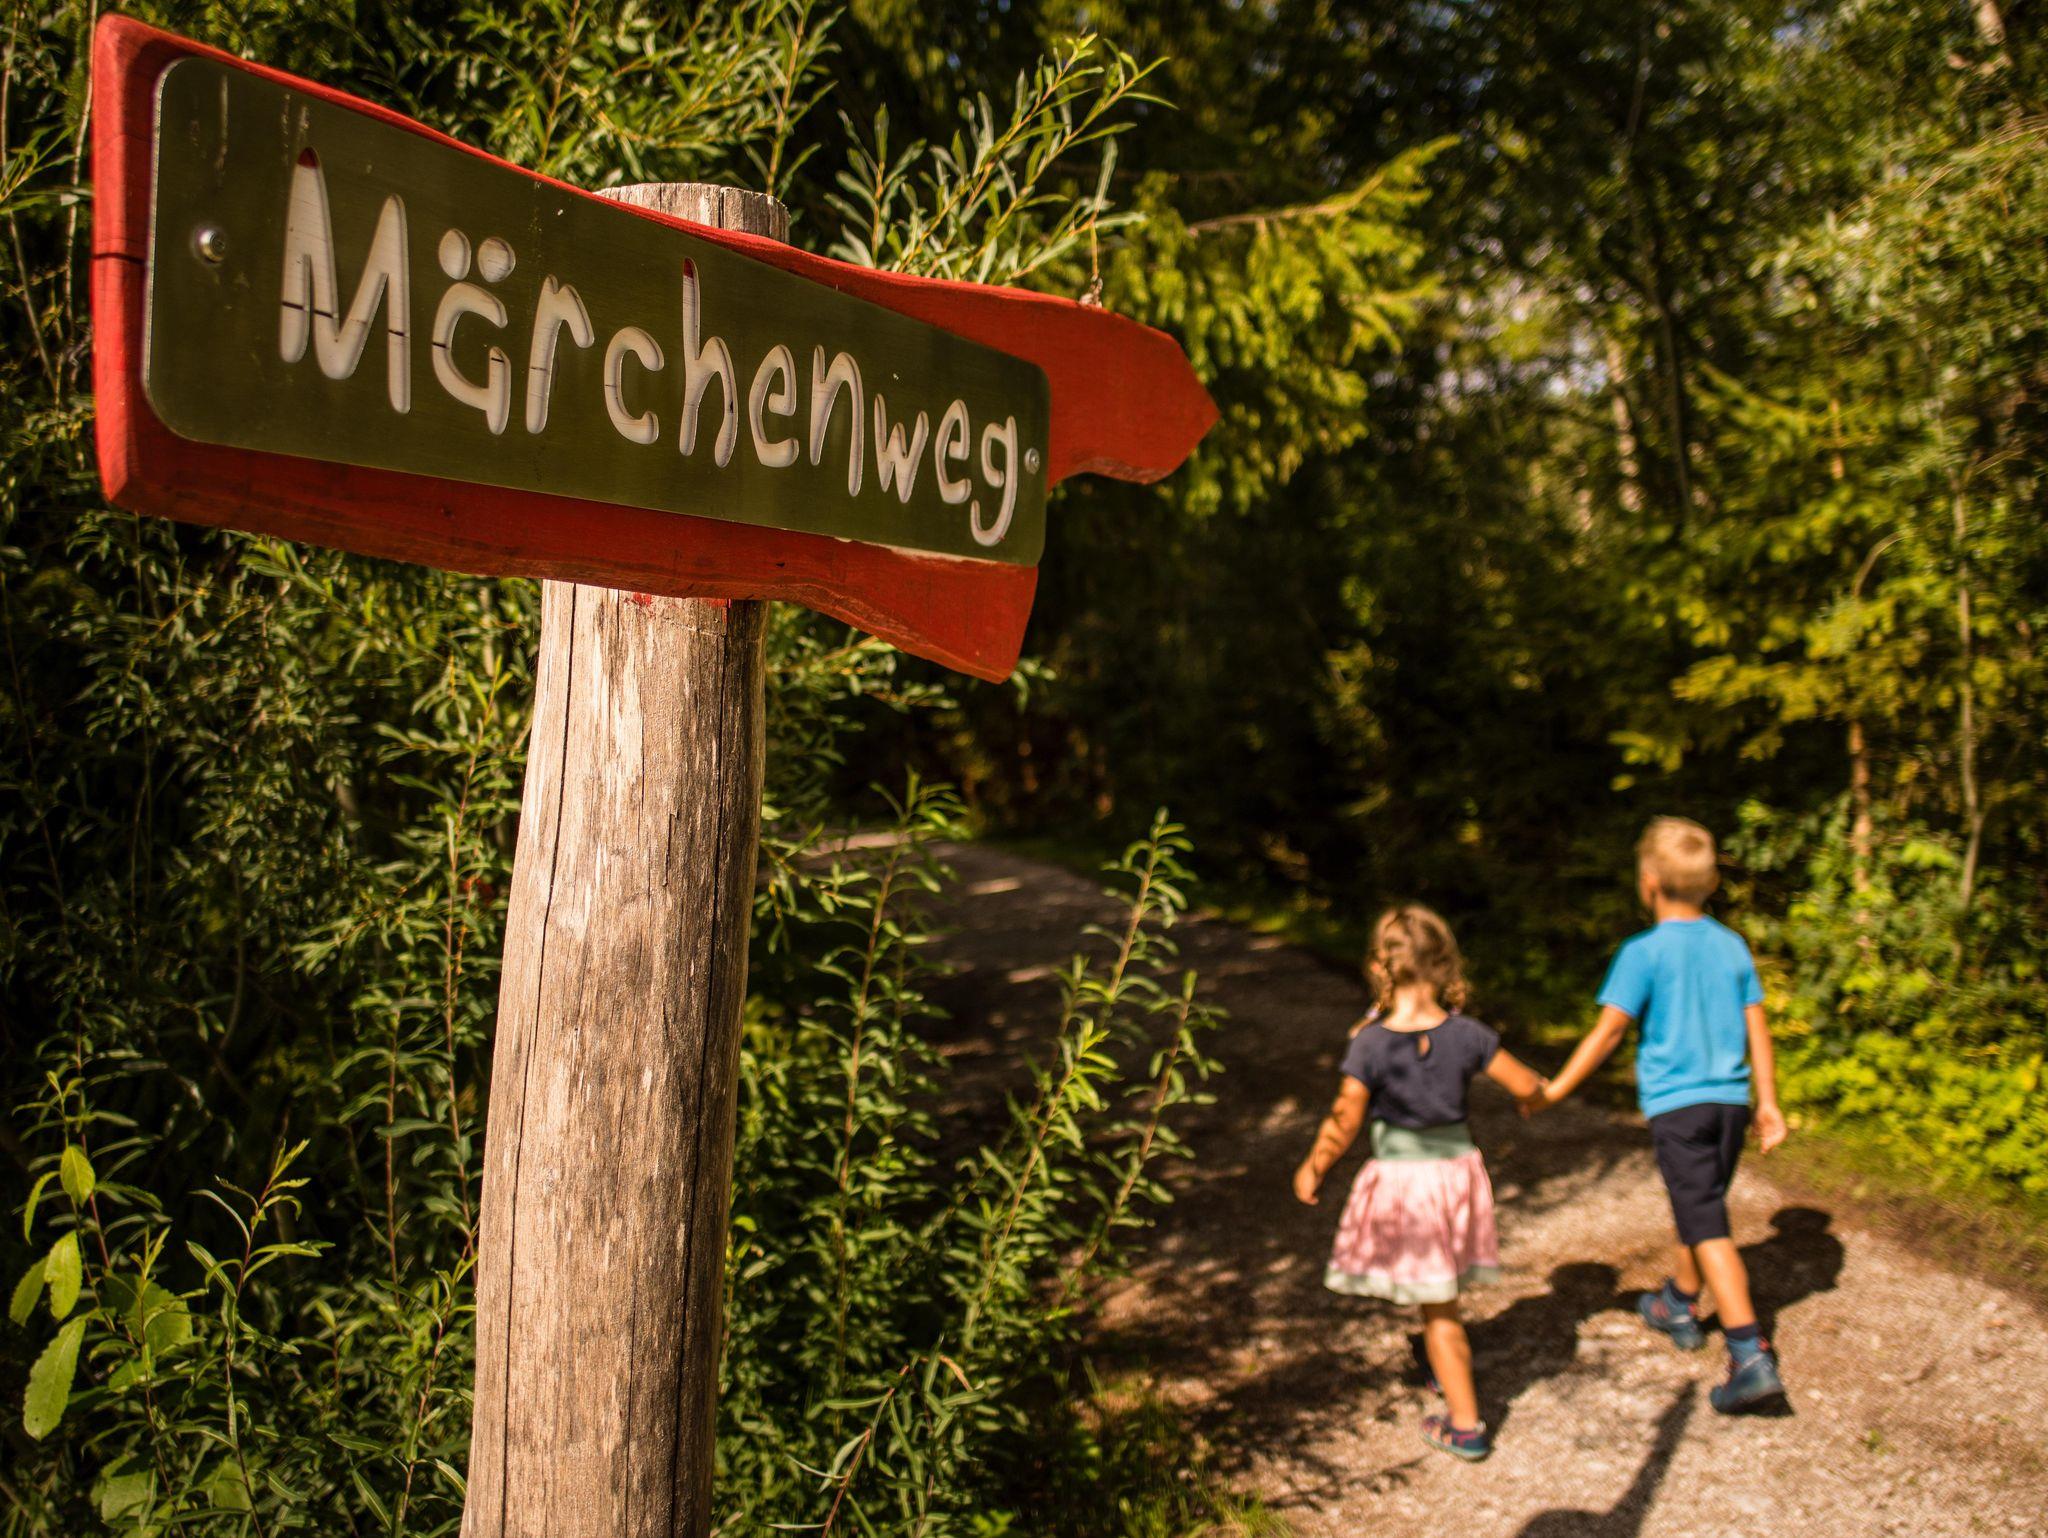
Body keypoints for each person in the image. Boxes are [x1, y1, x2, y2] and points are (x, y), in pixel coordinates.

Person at [1534, 816, 1790, 1413]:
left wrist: (1555, 1089)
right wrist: (1770, 1102)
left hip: (1679, 1108)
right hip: (1731, 1104)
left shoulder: (1642, 953)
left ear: (1648, 881)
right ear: (1710, 883)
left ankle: (1750, 1355)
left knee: (1708, 1225)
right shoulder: (1731, 945)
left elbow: (1608, 1032)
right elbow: (1757, 1027)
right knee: (1698, 1206)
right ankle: (1679, 1301)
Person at [1292, 904, 1547, 1462]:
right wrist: (1534, 1098)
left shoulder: (1371, 1043)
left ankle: (1466, 1424)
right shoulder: (1468, 1034)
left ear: (1378, 967)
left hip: (1409, 1185)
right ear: (1446, 964)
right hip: (1457, 1176)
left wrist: (1314, 1165)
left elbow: (1345, 1118)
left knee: (1439, 1310)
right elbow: (1526, 1083)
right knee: (1439, 1293)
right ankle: (1443, 1365)